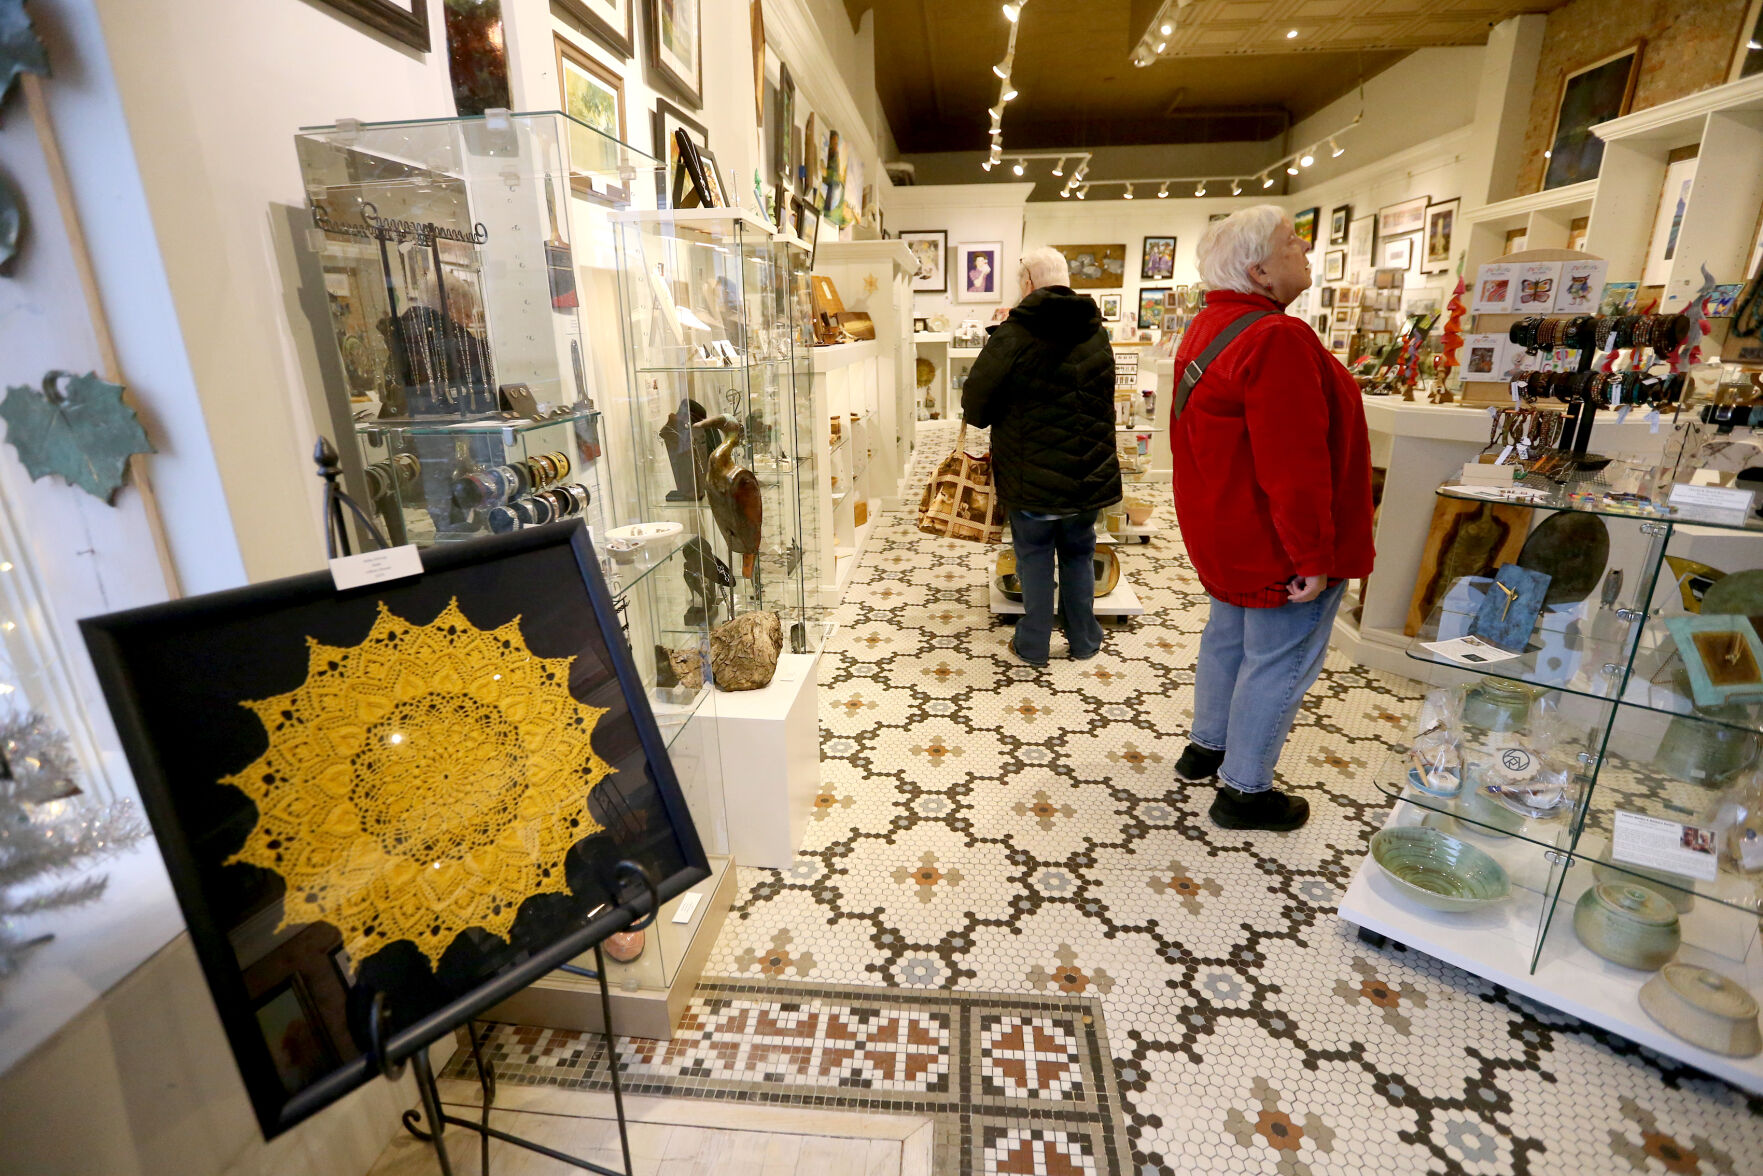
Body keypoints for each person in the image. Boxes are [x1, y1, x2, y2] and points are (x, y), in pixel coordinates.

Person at [1169, 206, 1374, 831]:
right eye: (1293, 241)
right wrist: (1312, 555)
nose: (1306, 247)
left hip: (1225, 527)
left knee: (1227, 638)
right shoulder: (1277, 337)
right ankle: (1244, 791)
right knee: (1278, 658)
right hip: (1273, 543)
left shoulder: (1210, 325)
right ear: (1259, 270)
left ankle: (1207, 746)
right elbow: (1295, 463)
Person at [962, 246, 1120, 666]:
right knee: (1079, 553)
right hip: (1086, 473)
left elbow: (976, 399)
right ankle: (1084, 639)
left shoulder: (1014, 333)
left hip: (1029, 472)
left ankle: (1033, 644)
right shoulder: (1096, 330)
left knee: (1032, 555)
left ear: (1029, 283)